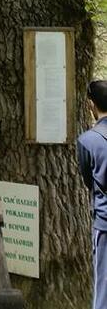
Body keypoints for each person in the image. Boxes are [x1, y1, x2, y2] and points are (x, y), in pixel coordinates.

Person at [77, 80, 107, 309]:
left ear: (90, 104)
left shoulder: (87, 141)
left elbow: (89, 180)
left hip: (104, 223)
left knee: (103, 287)